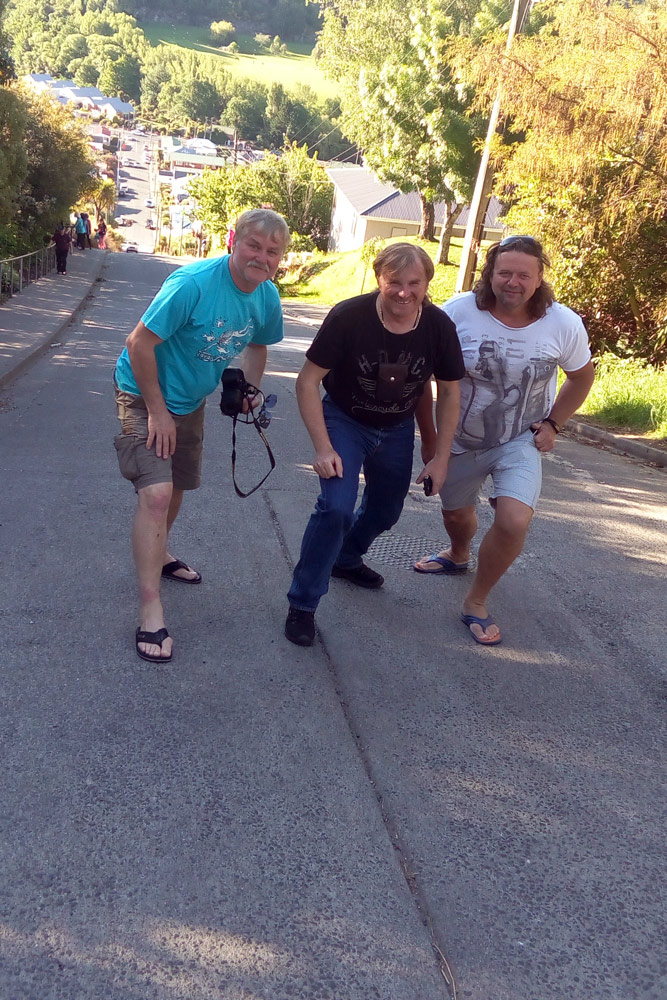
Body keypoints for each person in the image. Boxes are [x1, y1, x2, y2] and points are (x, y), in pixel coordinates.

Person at [113, 208, 290, 663]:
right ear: (234, 241)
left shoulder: (266, 296)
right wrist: (157, 412)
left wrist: (251, 389)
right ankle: (150, 609)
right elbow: (138, 343)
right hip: (143, 392)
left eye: (272, 251)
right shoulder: (192, 284)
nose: (262, 257)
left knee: (177, 487)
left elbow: (257, 344)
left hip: (190, 400)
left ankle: (160, 553)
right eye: (253, 246)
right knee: (156, 494)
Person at [413, 235, 595, 646]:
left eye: (523, 275)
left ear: (539, 278)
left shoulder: (563, 323)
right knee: (456, 517)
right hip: (459, 439)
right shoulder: (458, 313)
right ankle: (458, 554)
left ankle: (476, 601)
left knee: (513, 520)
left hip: (519, 440)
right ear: (490, 274)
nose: (513, 282)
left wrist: (553, 424)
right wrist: (431, 442)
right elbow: (423, 379)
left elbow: (582, 377)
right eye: (505, 273)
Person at [284, 243, 465, 647]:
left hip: (397, 427)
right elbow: (308, 381)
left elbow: (449, 392)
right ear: (378, 278)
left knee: (386, 510)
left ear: (427, 283)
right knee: (336, 507)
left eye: (414, 283)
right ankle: (303, 603)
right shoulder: (349, 317)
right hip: (345, 421)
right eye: (394, 282)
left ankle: (346, 557)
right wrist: (323, 448)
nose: (404, 292)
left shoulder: (438, 327)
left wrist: (438, 455)